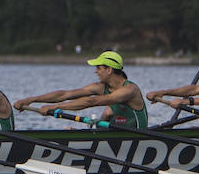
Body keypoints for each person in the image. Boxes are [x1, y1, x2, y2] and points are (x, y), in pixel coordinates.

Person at [14, 50, 148, 127]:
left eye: (98, 68)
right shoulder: (101, 87)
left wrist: (55, 108)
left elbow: (92, 102)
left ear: (109, 70)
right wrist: (31, 99)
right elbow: (65, 94)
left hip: (136, 136)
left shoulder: (129, 90)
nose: (96, 72)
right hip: (117, 133)